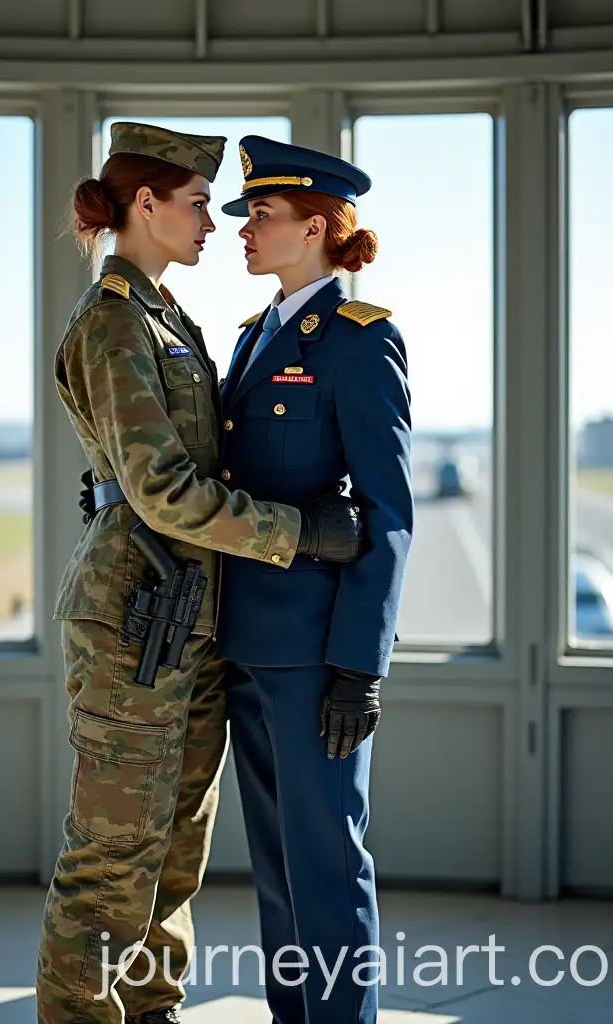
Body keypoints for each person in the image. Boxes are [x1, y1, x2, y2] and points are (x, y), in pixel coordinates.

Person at [36, 122, 365, 1024]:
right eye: (194, 205)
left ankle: (149, 1011)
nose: (213, 225)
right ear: (146, 204)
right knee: (112, 859)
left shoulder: (165, 316)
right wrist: (298, 533)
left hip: (187, 614)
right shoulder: (112, 320)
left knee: (175, 851)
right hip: (133, 612)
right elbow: (161, 489)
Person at [216, 136, 415, 1024]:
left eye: (261, 215)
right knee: (278, 879)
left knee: (328, 873)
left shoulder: (360, 343)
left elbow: (389, 515)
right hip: (244, 645)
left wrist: (360, 668)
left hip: (314, 658)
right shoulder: (253, 336)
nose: (244, 232)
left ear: (319, 227)